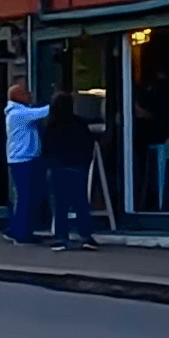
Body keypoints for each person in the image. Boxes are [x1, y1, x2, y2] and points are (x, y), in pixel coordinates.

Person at [42, 89, 102, 251]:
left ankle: (61, 238)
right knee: (80, 203)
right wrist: (85, 162)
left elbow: (45, 147)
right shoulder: (79, 124)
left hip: (57, 167)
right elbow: (88, 145)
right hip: (76, 167)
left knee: (60, 205)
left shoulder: (51, 125)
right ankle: (86, 237)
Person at [3, 82, 50, 245]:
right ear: (18, 96)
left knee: (24, 197)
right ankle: (21, 234)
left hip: (21, 160)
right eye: (25, 92)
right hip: (24, 160)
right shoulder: (19, 113)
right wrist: (61, 101)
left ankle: (17, 230)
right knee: (26, 198)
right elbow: (44, 112)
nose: (30, 94)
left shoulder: (16, 113)